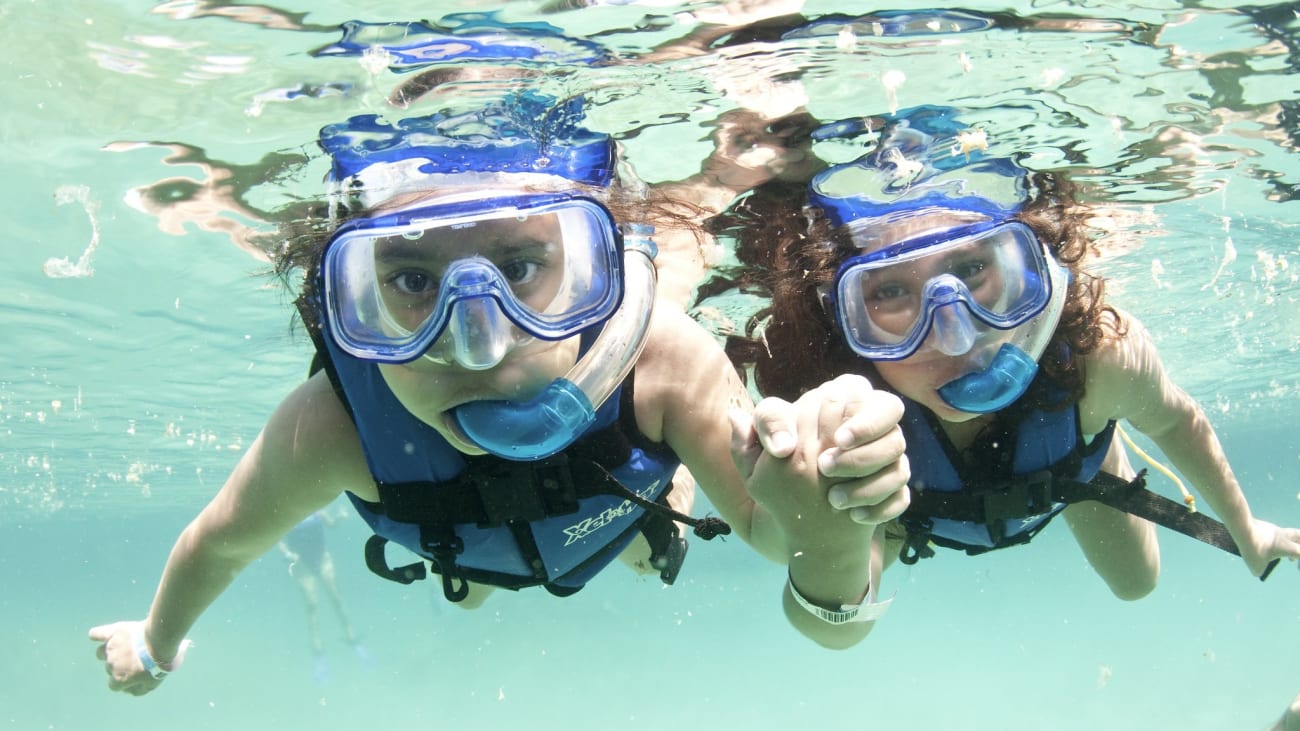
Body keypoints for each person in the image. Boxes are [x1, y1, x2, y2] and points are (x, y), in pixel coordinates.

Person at [88, 89, 910, 695]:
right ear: (350, 300)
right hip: (459, 547)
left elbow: (782, 544)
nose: (479, 342)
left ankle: (667, 482)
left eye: (522, 268)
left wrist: (823, 509)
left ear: (601, 266)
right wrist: (153, 644)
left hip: (619, 512)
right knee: (473, 588)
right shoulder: (333, 424)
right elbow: (219, 542)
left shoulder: (662, 361)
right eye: (412, 279)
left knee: (641, 545)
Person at [718, 105, 1300, 606]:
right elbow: (839, 620)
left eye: (972, 269)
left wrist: (1247, 531)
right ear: (844, 319)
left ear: (1032, 272)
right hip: (910, 506)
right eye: (891, 292)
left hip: (1073, 462)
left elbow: (1177, 420)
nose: (956, 335)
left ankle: (1092, 439)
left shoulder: (1102, 358)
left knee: (1137, 584)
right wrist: (825, 537)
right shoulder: (837, 421)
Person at [277, 508, 370, 683]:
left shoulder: (316, 508)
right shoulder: (287, 512)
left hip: (323, 559)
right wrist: (287, 554)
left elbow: (331, 524)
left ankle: (353, 639)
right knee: (312, 606)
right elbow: (279, 539)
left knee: (336, 598)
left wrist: (340, 517)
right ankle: (318, 653)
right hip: (301, 564)